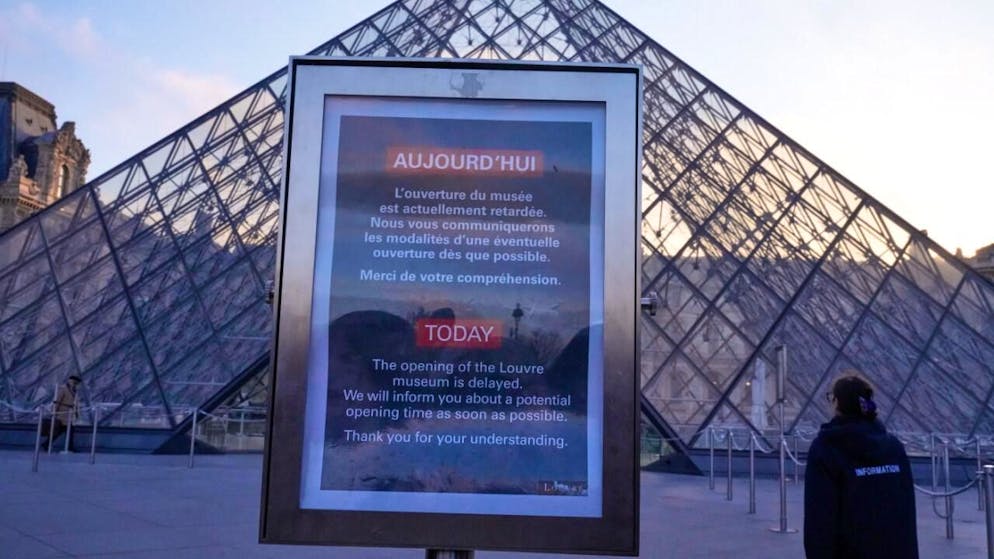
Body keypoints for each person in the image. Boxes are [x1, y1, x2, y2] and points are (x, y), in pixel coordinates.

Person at [804, 373, 918, 559]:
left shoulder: (825, 448)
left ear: (836, 402)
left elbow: (819, 518)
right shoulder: (894, 447)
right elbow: (906, 514)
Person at [42, 375, 82, 451]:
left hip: (69, 414)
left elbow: (76, 403)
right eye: (75, 382)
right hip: (63, 414)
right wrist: (54, 412)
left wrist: (77, 413)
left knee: (60, 431)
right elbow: (57, 401)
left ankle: (46, 444)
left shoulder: (74, 390)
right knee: (68, 431)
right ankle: (70, 447)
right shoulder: (63, 389)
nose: (76, 384)